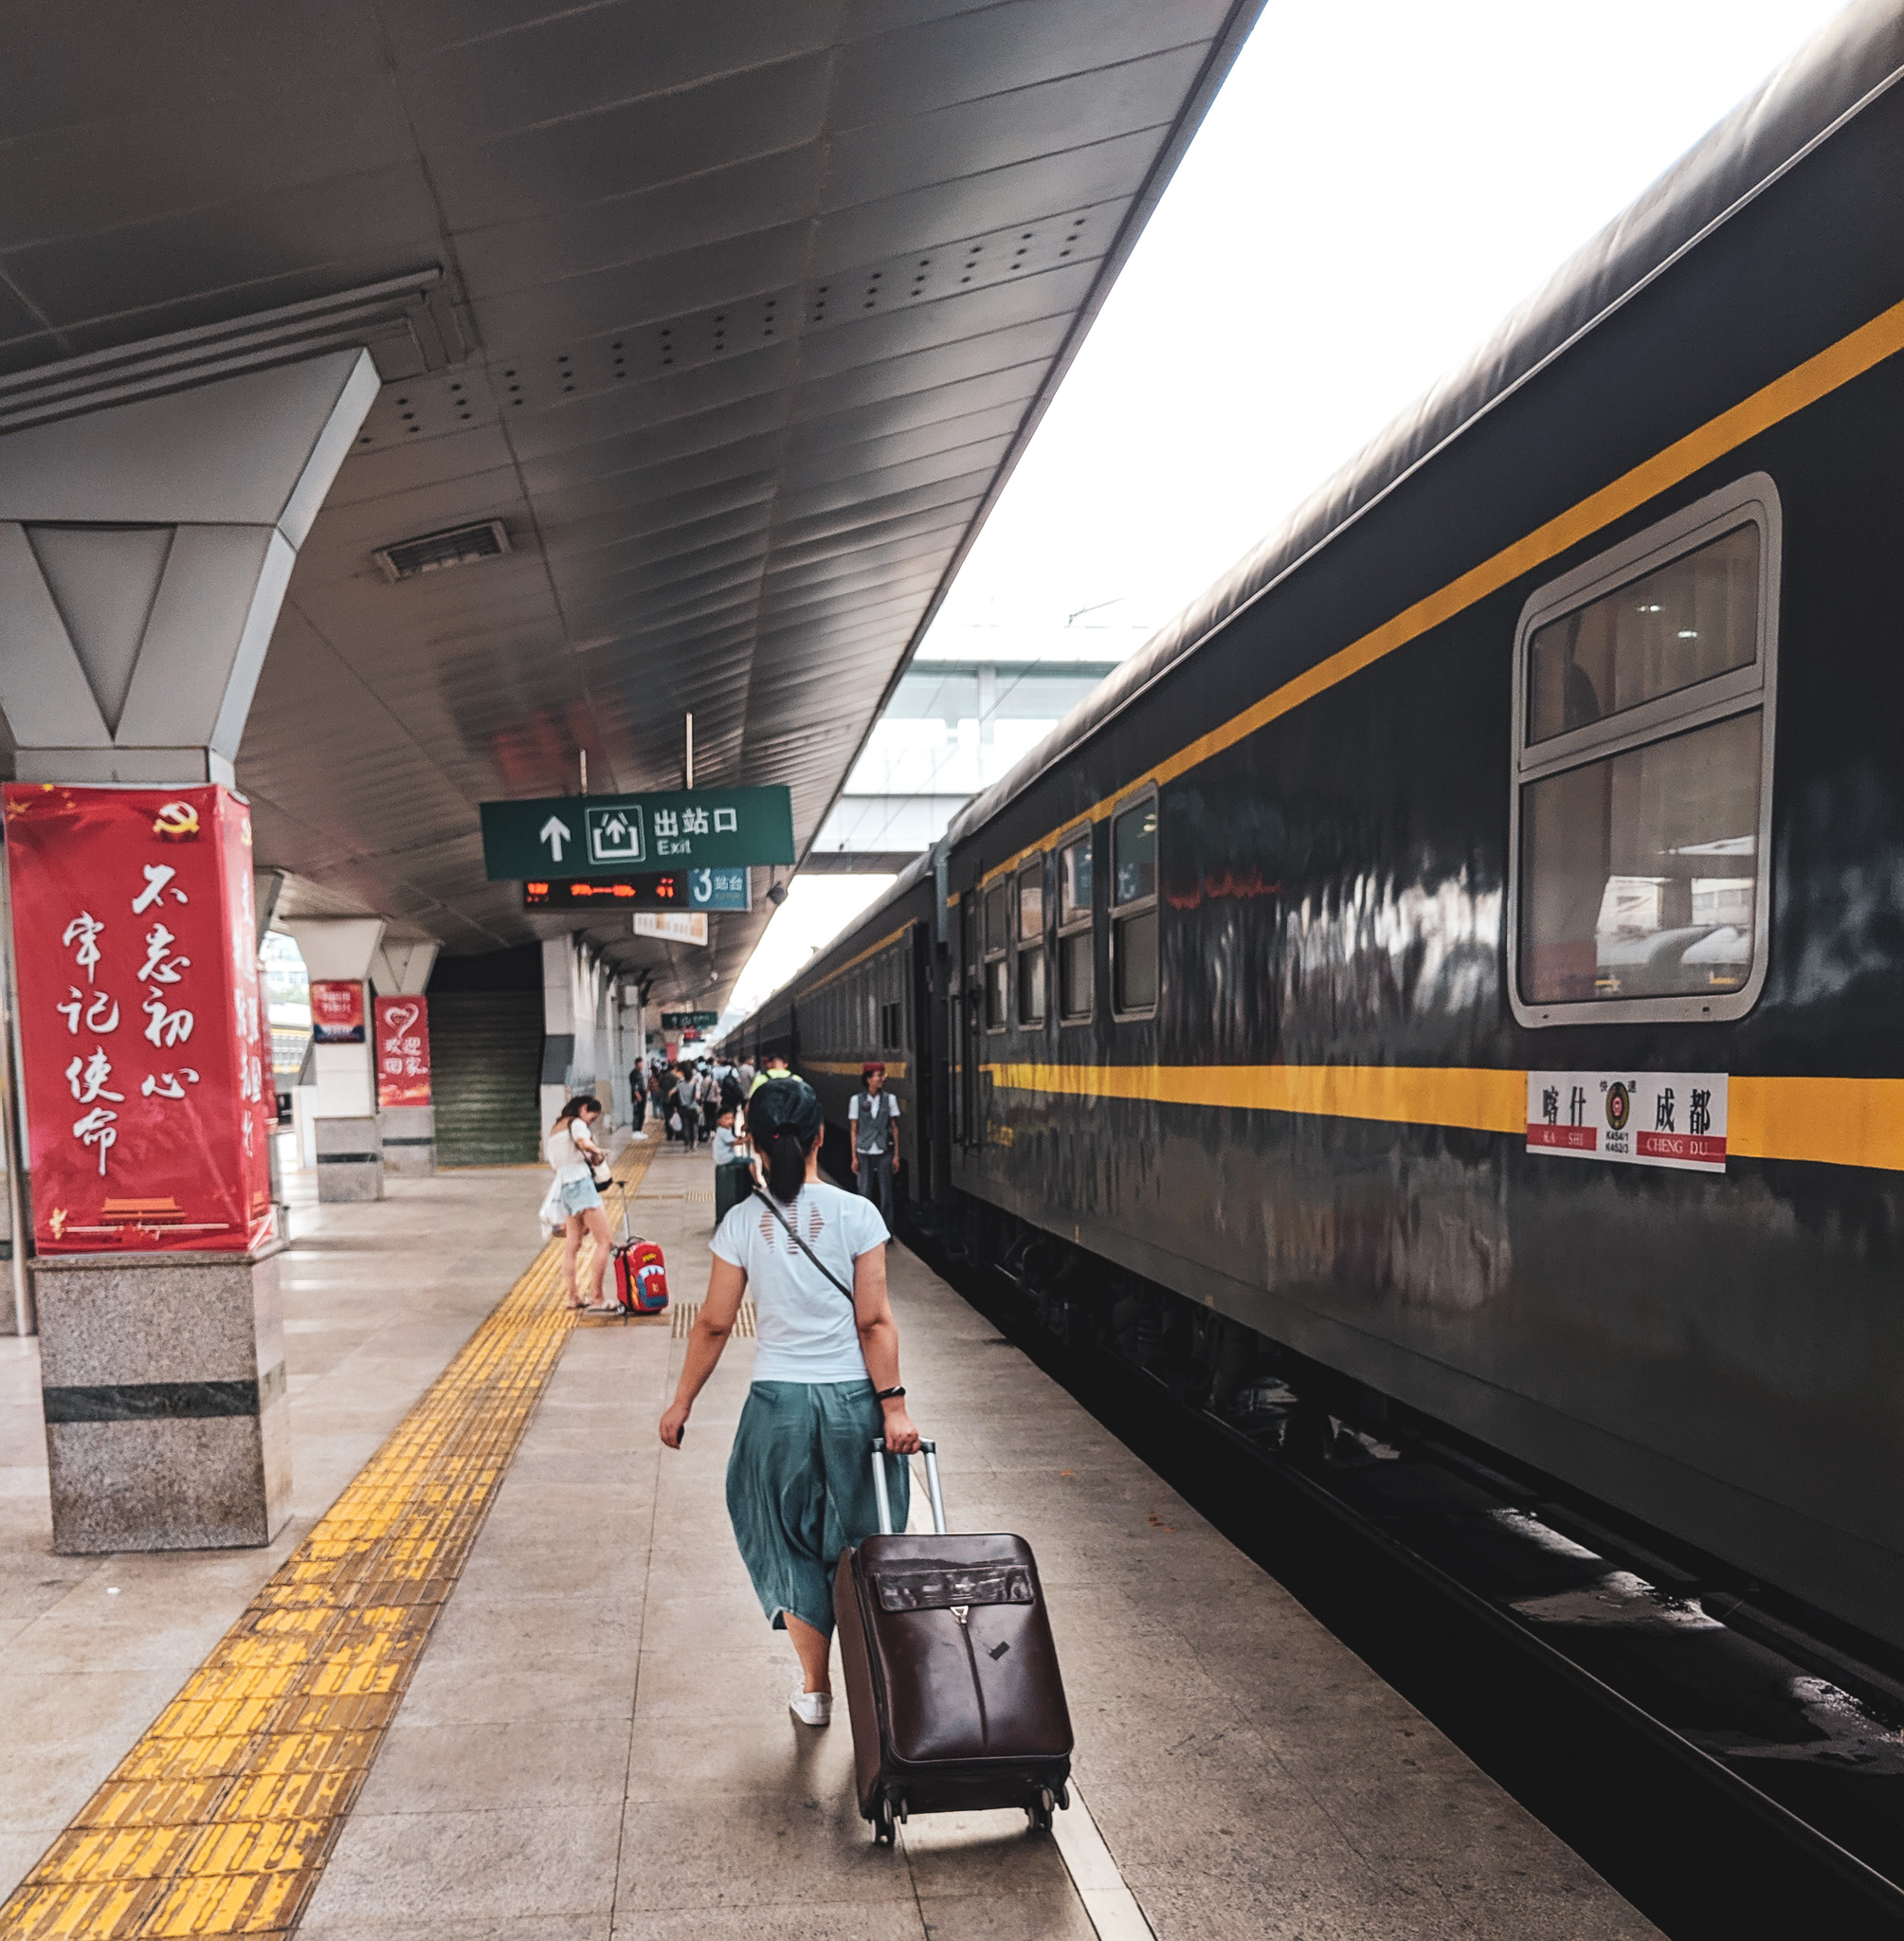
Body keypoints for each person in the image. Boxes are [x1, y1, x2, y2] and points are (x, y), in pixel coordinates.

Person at [660, 1078, 920, 1727]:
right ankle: (880, 1688)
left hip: (774, 1408)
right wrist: (893, 1409)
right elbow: (874, 1323)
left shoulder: (741, 1223)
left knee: (782, 1536)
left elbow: (714, 1324)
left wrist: (682, 1402)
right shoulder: (857, 1215)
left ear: (752, 1139)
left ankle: (815, 1690)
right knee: (862, 1539)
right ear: (821, 1137)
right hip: (852, 1403)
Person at [547, 1096, 616, 1312]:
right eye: (592, 1118)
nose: (590, 1123)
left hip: (563, 1187)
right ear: (584, 1108)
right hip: (580, 1184)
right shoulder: (576, 1123)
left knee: (572, 1245)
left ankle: (573, 1298)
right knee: (605, 1241)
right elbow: (583, 1142)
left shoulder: (555, 1129)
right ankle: (597, 1296)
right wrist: (597, 1150)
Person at [848, 1061, 900, 1230]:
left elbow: (894, 1128)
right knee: (864, 1194)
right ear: (869, 1079)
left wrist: (896, 1155)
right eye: (878, 1076)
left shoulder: (890, 1099)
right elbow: (854, 1129)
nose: (881, 1079)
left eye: (882, 1076)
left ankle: (887, 1230)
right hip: (864, 1151)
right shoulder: (856, 1100)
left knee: (887, 1194)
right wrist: (854, 1157)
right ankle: (866, 1229)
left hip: (884, 1150)